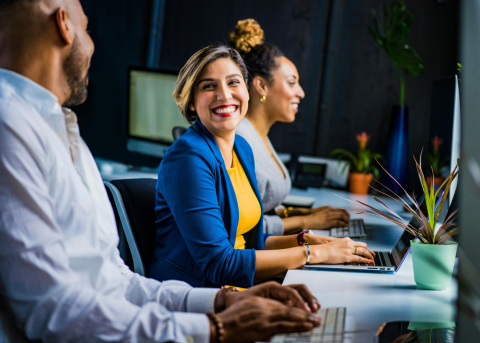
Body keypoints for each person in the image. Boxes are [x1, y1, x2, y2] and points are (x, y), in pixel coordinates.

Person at [0, 1, 323, 342]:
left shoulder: (59, 128)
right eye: (87, 28)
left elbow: (114, 282)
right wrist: (216, 327)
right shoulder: (11, 126)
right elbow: (52, 312)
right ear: (64, 25)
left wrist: (224, 301)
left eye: (232, 83)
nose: (92, 45)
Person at [150, 44, 374, 289]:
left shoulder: (242, 149)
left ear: (247, 90)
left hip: (239, 288)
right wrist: (314, 254)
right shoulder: (188, 157)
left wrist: (308, 241)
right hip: (197, 295)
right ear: (191, 102)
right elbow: (220, 264)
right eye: (209, 86)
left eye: (233, 82)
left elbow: (251, 243)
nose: (224, 95)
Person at [232, 19, 351, 236]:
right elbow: (244, 228)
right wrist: (306, 221)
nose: (301, 92)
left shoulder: (259, 136)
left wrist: (300, 213)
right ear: (261, 86)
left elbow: (263, 207)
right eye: (291, 82)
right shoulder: (241, 140)